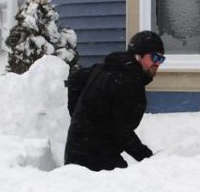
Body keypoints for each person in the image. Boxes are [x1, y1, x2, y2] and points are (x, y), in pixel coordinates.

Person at [64, 30, 165, 171]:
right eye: (154, 57)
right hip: (94, 159)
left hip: (76, 152)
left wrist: (80, 118)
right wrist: (147, 157)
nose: (157, 64)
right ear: (138, 56)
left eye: (161, 59)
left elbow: (76, 80)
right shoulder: (129, 82)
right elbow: (122, 131)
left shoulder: (107, 68)